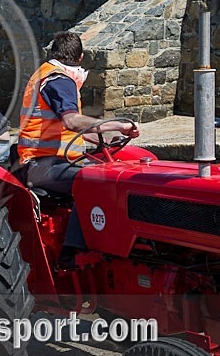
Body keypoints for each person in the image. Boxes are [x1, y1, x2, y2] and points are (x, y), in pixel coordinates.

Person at [17, 31, 140, 268]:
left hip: (49, 161)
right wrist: (116, 124)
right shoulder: (59, 80)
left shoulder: (45, 75)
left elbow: (75, 129)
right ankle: (72, 253)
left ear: (53, 53)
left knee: (108, 170)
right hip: (40, 164)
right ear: (80, 57)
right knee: (96, 181)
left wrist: (111, 137)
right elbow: (72, 121)